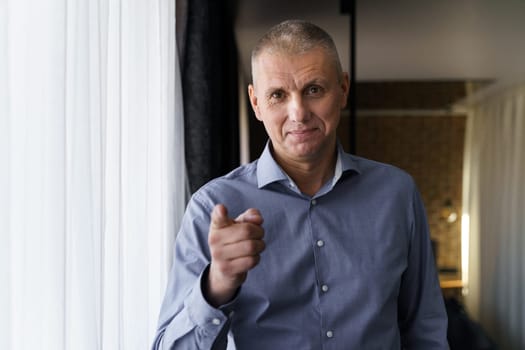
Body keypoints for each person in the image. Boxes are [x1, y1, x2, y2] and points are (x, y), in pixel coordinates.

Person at [152, 19, 449, 349]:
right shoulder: (211, 206)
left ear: (343, 89)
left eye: (314, 90)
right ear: (256, 103)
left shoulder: (398, 193)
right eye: (278, 95)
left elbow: (425, 331)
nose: (298, 113)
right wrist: (217, 284)